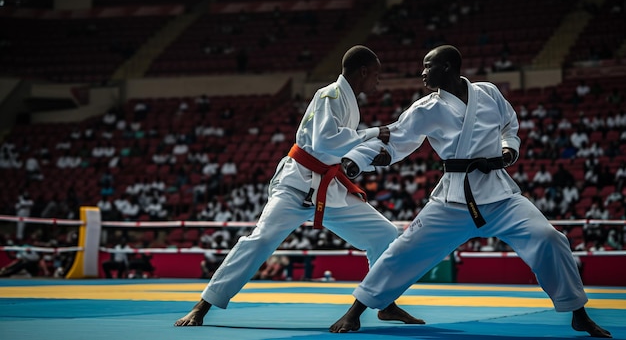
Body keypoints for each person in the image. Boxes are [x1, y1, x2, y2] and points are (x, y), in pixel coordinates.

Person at [329, 45, 611, 338]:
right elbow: (396, 137)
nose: (423, 73)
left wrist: (508, 151)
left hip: (500, 194)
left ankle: (578, 313)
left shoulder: (488, 93)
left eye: (429, 66)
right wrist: (359, 159)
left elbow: (510, 127)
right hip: (452, 200)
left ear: (448, 67)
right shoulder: (427, 108)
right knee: (402, 251)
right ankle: (355, 311)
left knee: (549, 238)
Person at [174, 45, 423, 327]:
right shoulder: (330, 95)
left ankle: (385, 302)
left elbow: (336, 146)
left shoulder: (347, 99)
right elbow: (324, 142)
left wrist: (367, 152)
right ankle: (203, 305)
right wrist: (373, 132)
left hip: (328, 188)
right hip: (297, 183)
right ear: (363, 71)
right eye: (376, 74)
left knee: (384, 233)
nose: (378, 80)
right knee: (261, 240)